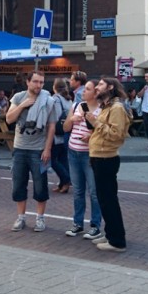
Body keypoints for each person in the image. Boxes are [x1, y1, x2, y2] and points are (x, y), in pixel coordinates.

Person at [6, 71, 56, 232]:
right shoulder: (19, 97)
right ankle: (21, 218)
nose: (39, 85)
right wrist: (22, 105)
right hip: (20, 148)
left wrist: (47, 149)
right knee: (18, 184)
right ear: (28, 82)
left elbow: (52, 126)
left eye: (41, 82)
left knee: (40, 186)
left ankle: (40, 218)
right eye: (35, 82)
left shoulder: (48, 100)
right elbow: (9, 119)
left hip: (38, 150)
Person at [86, 77, 130, 252]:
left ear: (110, 87)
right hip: (99, 157)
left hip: (106, 158)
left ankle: (117, 241)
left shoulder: (117, 108)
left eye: (100, 85)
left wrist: (95, 122)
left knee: (108, 200)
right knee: (104, 200)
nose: (97, 88)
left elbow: (116, 134)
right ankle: (111, 233)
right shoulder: (108, 106)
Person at [62, 79, 103, 239]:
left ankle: (95, 225)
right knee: (78, 191)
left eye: (87, 89)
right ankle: (77, 224)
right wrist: (71, 120)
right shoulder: (76, 106)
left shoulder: (102, 110)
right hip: (73, 152)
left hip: (90, 154)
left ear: (95, 93)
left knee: (93, 192)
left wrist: (91, 135)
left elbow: (103, 131)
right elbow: (65, 128)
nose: (83, 92)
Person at [50, 78, 72, 194]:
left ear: (55, 87)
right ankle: (63, 184)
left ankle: (66, 180)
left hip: (56, 134)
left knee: (52, 160)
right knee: (63, 159)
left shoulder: (56, 99)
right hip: (66, 133)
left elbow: (56, 116)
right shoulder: (68, 99)